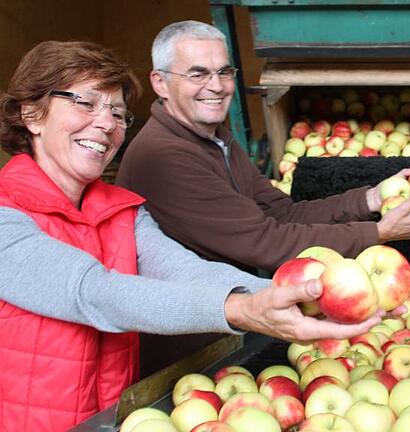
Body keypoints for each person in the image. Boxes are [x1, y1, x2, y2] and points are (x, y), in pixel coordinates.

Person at [0, 40, 384, 432]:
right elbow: (95, 292)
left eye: (117, 112)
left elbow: (185, 271)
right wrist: (242, 311)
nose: (106, 122)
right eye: (86, 103)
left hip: (109, 421)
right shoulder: (4, 216)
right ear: (32, 113)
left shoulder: (122, 211)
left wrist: (300, 299)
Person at [116, 20, 410, 275]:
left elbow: (282, 212)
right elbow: (265, 243)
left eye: (224, 72)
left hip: (232, 314)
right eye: (198, 74)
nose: (216, 86)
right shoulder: (163, 157)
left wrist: (369, 200)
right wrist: (376, 234)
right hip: (193, 339)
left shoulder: (215, 138)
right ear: (160, 83)